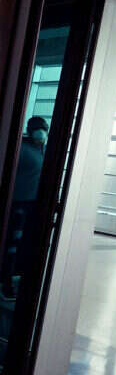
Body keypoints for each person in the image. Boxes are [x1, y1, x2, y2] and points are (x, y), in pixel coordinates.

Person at [2, 117, 49, 299]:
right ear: (29, 131)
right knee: (12, 244)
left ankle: (17, 278)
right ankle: (6, 283)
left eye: (43, 129)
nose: (41, 133)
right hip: (18, 204)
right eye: (37, 129)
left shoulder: (43, 149)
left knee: (26, 244)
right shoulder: (20, 148)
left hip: (34, 204)